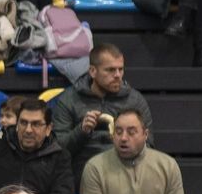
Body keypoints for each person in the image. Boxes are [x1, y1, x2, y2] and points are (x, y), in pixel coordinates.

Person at [49, 43, 152, 181]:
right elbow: (58, 150)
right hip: (83, 173)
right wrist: (82, 131)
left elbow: (148, 145)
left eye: (120, 69)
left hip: (125, 172)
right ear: (92, 71)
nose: (117, 75)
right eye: (110, 70)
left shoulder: (135, 100)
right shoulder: (69, 99)